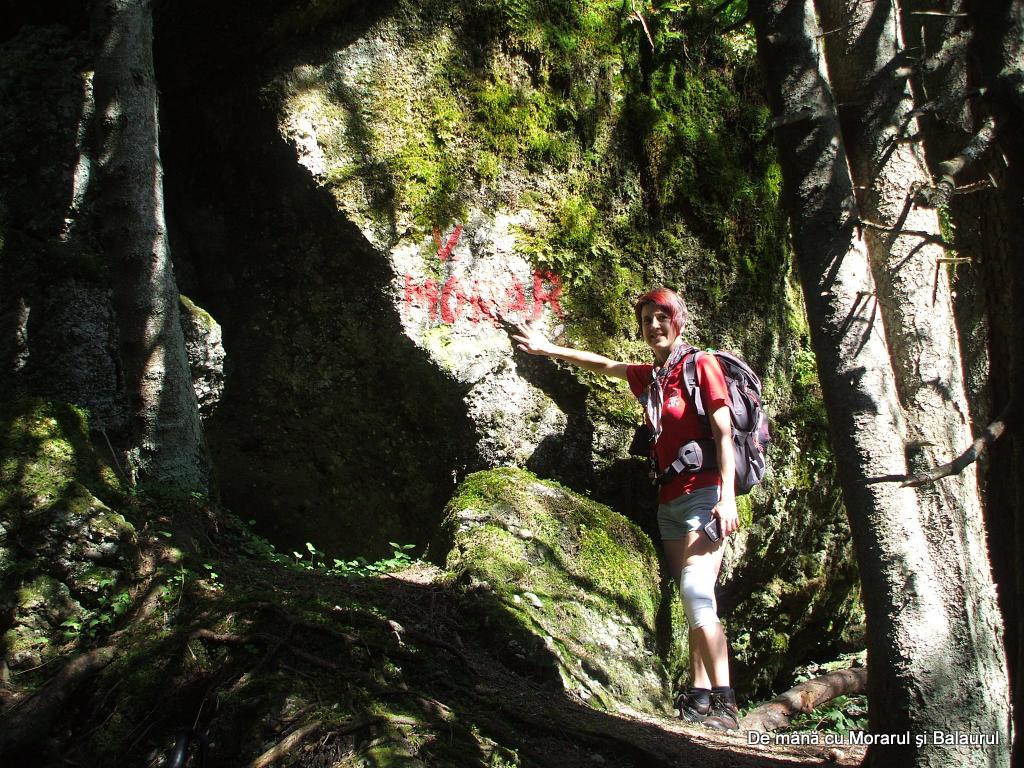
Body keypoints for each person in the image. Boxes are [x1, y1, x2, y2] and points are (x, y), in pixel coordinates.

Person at [512, 286, 740, 730]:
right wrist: (546, 349)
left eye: (662, 317)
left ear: (678, 321)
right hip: (668, 502)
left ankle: (726, 703)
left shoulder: (701, 365)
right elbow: (603, 365)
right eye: (646, 320)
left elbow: (723, 433)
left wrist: (727, 497)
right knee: (691, 599)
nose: (654, 326)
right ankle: (699, 696)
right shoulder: (652, 377)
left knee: (697, 593)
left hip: (705, 495)